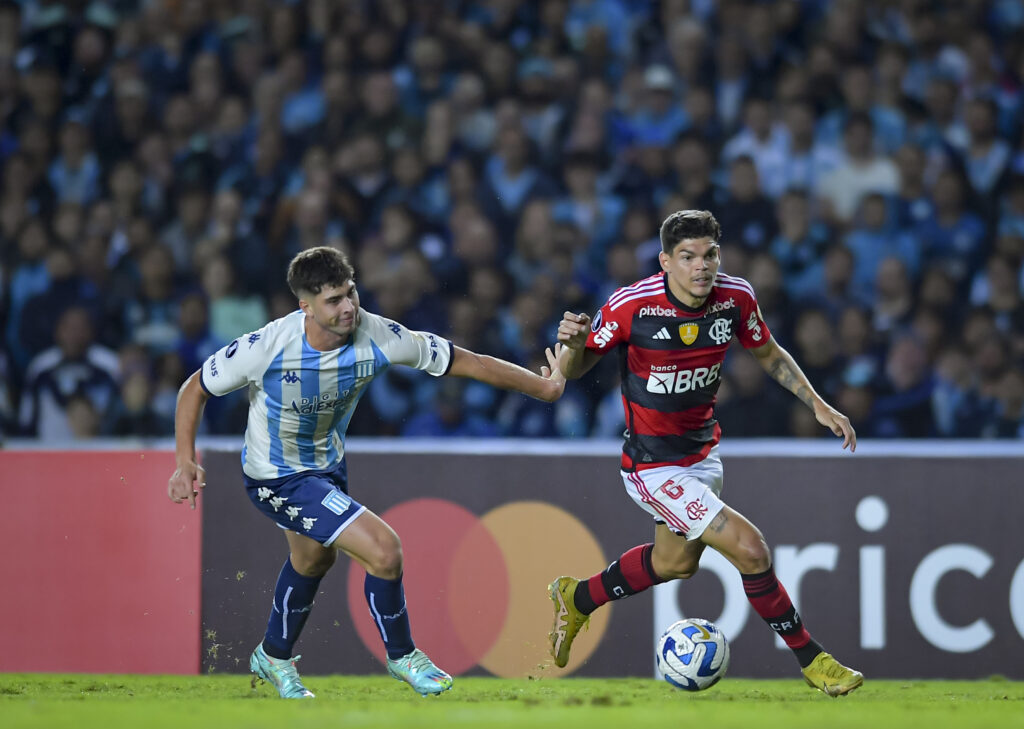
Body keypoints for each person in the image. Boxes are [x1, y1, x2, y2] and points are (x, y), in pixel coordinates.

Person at [167, 246, 564, 698]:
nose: (348, 307)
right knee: (385, 550)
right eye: (333, 300)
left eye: (350, 293)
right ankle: (404, 657)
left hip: (327, 466)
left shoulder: (378, 334)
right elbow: (194, 387)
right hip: (275, 476)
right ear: (306, 307)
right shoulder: (267, 347)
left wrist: (545, 388)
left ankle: (273, 655)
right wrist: (184, 460)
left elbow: (467, 361)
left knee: (313, 559)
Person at [547, 210, 863, 697]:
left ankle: (578, 597)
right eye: (689, 257)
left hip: (701, 456)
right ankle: (812, 660)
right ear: (665, 262)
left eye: (710, 254)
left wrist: (818, 405)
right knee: (751, 550)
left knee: (676, 564)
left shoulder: (736, 299)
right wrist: (570, 346)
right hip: (651, 466)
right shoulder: (632, 305)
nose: (702, 267)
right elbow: (579, 364)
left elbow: (770, 354)